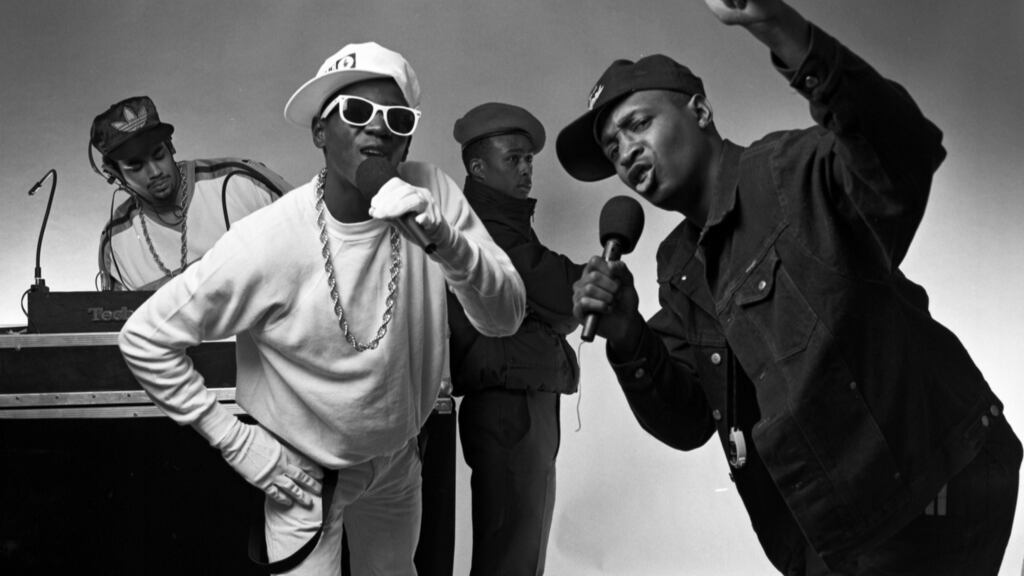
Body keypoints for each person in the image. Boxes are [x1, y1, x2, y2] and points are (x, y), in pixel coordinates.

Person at [558, 1, 1022, 574]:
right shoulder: (677, 264)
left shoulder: (788, 170)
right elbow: (686, 422)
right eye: (611, 147)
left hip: (931, 485)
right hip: (832, 532)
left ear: (700, 111)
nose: (625, 153)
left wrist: (787, 34)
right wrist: (628, 336)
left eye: (637, 124)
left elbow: (902, 154)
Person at [118, 41, 526, 575]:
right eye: (356, 113)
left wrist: (446, 243)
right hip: (303, 473)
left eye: (396, 118)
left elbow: (504, 317)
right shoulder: (268, 240)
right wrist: (240, 446)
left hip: (399, 458)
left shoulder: (433, 194)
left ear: (406, 139)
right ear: (319, 131)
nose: (377, 128)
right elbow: (143, 337)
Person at [449, 102, 583, 575]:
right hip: (510, 403)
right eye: (514, 159)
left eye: (529, 159)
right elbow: (570, 300)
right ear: (477, 167)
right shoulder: (489, 231)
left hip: (519, 396)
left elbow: (558, 305)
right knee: (511, 554)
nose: (527, 169)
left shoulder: (507, 226)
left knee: (517, 550)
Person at [90, 95, 292, 291]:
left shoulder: (241, 181)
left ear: (170, 145)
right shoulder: (117, 244)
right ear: (114, 173)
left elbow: (316, 227)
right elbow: (122, 322)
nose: (155, 171)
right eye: (136, 166)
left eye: (158, 154)